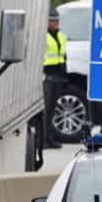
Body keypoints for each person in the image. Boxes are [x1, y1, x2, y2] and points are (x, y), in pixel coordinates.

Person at [42, 9, 69, 148]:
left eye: (57, 20)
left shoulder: (61, 36)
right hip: (47, 76)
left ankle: (50, 137)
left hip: (58, 76)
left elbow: (63, 56)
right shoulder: (43, 36)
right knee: (46, 110)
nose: (56, 23)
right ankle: (44, 140)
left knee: (53, 109)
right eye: (53, 20)